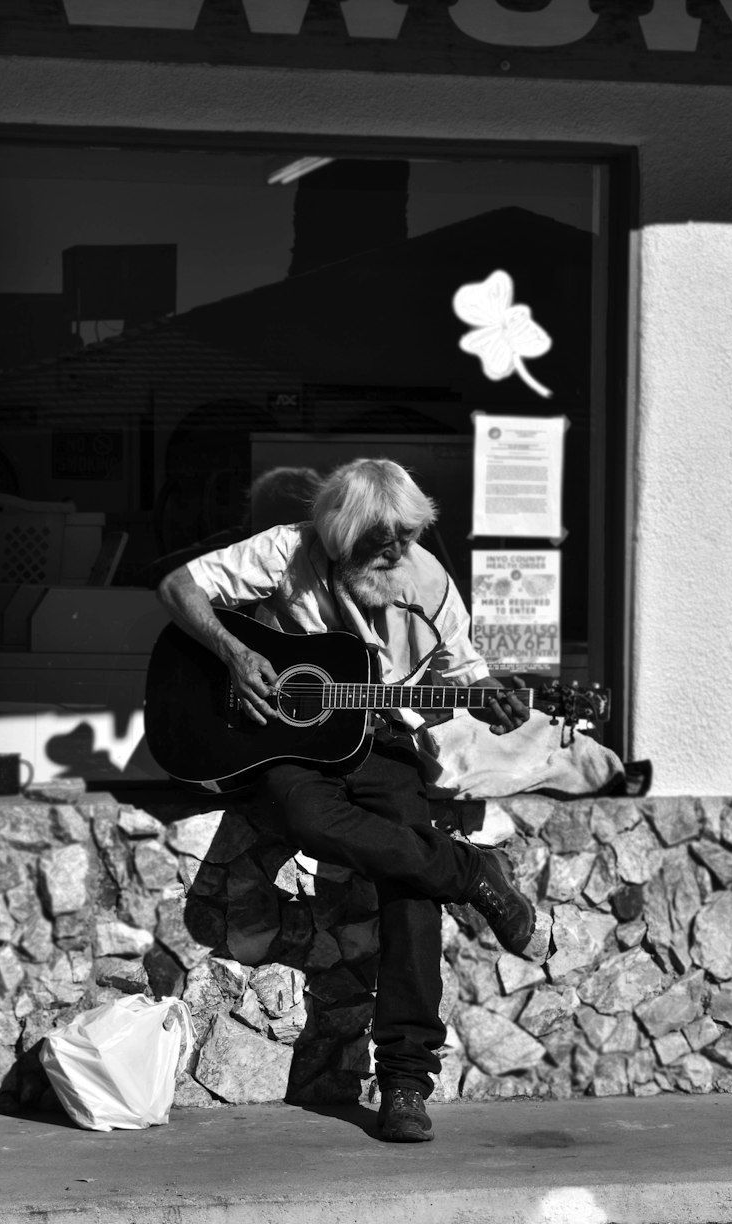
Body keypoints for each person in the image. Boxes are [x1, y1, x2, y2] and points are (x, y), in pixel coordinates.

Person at [157, 458, 535, 1144]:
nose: (397, 552)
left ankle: (405, 1079)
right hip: (292, 746)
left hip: (385, 742)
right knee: (309, 817)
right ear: (337, 532)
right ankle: (468, 870)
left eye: (406, 536)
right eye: (379, 540)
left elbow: (464, 671)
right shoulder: (285, 550)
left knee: (408, 880)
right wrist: (236, 655)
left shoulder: (428, 581)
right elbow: (179, 585)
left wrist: (492, 700)